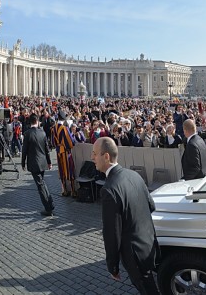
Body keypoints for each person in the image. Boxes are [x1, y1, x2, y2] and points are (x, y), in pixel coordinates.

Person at [92, 137, 161, 295]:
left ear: (106, 156)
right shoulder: (134, 175)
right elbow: (151, 206)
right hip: (150, 244)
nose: (92, 157)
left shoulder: (109, 190)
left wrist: (113, 267)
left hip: (134, 256)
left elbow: (111, 234)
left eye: (95, 153)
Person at [20, 113, 55, 217]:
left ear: (30, 122)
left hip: (34, 163)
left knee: (40, 186)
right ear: (37, 121)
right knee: (42, 183)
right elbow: (47, 150)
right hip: (43, 162)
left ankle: (48, 208)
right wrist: (49, 162)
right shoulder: (43, 133)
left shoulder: (27, 134)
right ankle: (50, 204)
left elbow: (24, 150)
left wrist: (23, 163)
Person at [53, 111, 76, 197]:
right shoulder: (64, 128)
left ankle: (64, 190)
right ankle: (73, 191)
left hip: (58, 151)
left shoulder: (53, 128)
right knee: (69, 169)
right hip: (66, 151)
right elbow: (70, 141)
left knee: (61, 170)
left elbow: (53, 142)